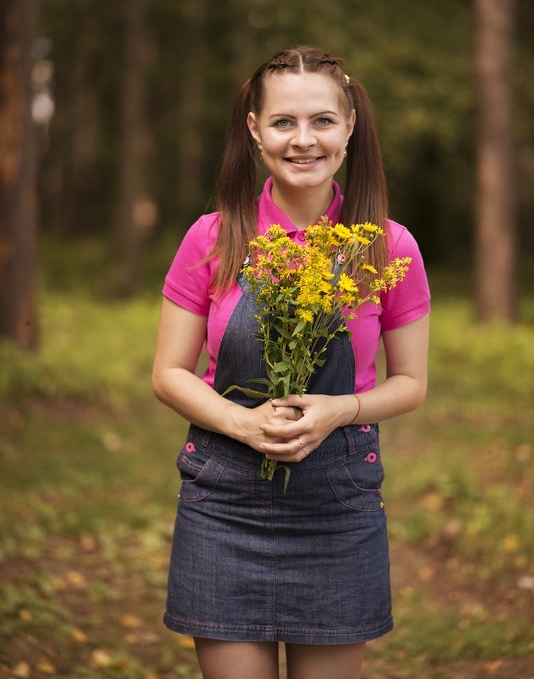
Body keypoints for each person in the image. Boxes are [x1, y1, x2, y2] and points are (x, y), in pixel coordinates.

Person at [152, 45, 430, 679]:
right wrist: (243, 423)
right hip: (223, 505)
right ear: (255, 131)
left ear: (350, 125)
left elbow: (411, 384)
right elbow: (168, 372)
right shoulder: (214, 236)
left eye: (323, 121)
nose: (304, 140)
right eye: (284, 122)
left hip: (339, 508)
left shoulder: (389, 247)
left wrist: (342, 410)